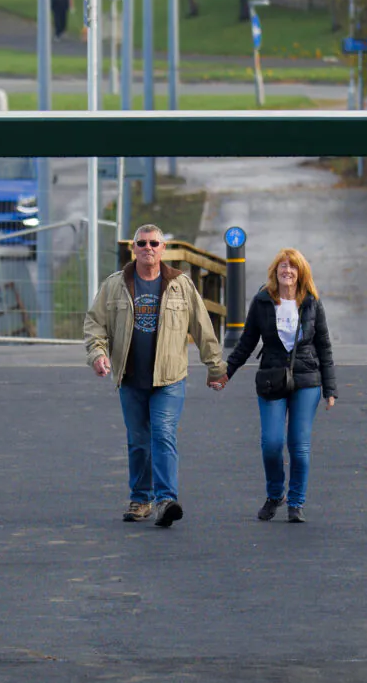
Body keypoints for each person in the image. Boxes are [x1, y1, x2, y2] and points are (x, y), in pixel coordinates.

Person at [84, 223, 227, 526]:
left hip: (169, 378)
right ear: (133, 248)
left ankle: (165, 500)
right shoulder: (114, 285)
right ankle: (141, 499)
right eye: (142, 243)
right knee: (138, 440)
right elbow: (95, 324)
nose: (148, 248)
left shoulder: (181, 285)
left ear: (163, 249)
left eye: (154, 243)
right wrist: (97, 354)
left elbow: (203, 328)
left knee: (162, 436)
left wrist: (216, 367)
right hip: (131, 378)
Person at [222, 246, 338, 523]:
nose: (287, 271)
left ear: (301, 273)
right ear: (275, 271)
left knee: (299, 445)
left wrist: (330, 389)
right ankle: (276, 494)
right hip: (272, 377)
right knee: (272, 443)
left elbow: (324, 345)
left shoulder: (311, 302)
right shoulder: (262, 301)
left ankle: (296, 502)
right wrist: (226, 372)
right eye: (282, 266)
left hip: (307, 378)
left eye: (293, 267)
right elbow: (247, 341)